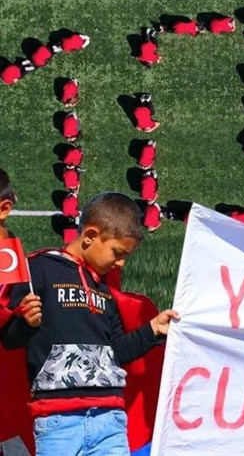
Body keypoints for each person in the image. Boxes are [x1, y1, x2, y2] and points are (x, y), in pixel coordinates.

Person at [0, 192, 179, 456]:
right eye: (117, 253)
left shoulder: (105, 291)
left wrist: (152, 330)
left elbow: (116, 353)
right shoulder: (37, 269)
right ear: (90, 235)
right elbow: (9, 339)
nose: (121, 263)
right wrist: (25, 322)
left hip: (110, 422)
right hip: (58, 423)